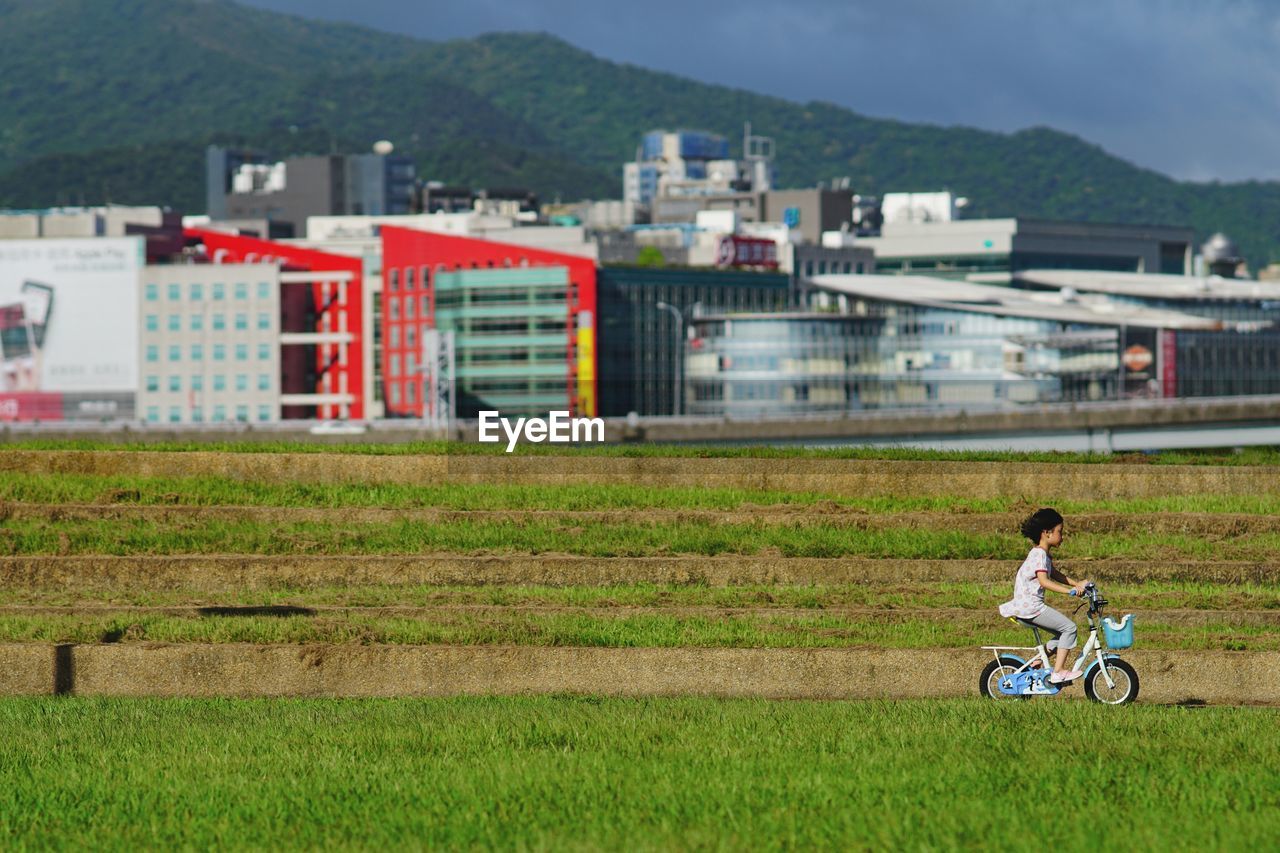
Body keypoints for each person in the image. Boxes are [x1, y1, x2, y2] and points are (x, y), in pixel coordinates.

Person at [999, 508, 1091, 683]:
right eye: (1060, 532)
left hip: (1029, 606)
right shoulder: (1040, 554)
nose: (1062, 537)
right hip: (1031, 607)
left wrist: (1076, 583)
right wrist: (1069, 591)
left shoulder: (1042, 554)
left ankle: (1039, 660)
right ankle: (1058, 672)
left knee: (1062, 634)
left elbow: (1054, 574)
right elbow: (1044, 581)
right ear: (1047, 533)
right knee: (1069, 628)